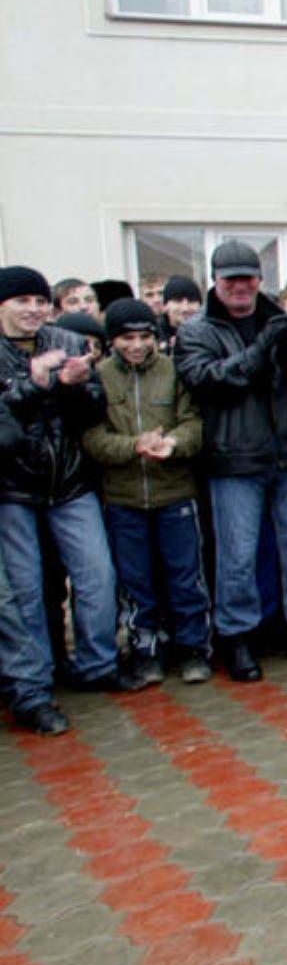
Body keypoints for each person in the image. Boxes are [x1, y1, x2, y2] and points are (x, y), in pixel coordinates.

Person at [174, 239, 287, 681]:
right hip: (234, 458)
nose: (240, 286)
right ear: (214, 282)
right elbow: (210, 381)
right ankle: (236, 637)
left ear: (260, 280)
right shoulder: (197, 330)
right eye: (231, 278)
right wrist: (261, 351)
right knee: (237, 556)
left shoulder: (280, 318)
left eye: (248, 278)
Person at [1, 266, 135, 730]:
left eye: (40, 301)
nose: (33, 310)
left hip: (71, 480)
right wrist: (34, 384)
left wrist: (78, 387)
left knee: (97, 574)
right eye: (22, 302)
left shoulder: (69, 341)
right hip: (13, 487)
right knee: (24, 589)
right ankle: (34, 683)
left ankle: (98, 664)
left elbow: (93, 410)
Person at [82, 298, 213, 685]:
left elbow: (194, 423)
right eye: (127, 338)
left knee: (185, 577)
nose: (137, 345)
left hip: (175, 493)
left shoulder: (174, 372)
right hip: (123, 498)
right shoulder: (100, 377)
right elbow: (91, 437)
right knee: (135, 582)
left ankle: (193, 649)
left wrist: (173, 443)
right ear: (113, 341)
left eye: (144, 337)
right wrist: (133, 446)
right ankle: (145, 650)